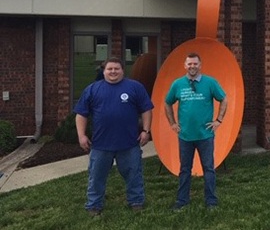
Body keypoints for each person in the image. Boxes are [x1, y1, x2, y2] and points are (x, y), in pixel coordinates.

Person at [74, 57, 154, 216]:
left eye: (116, 69)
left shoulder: (135, 87)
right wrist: (81, 135)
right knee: (96, 177)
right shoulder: (92, 89)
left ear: (123, 70)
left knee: (134, 175)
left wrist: (146, 131)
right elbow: (81, 114)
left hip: (129, 143)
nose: (113, 72)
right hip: (100, 145)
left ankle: (136, 201)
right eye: (109, 69)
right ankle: (94, 205)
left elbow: (146, 110)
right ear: (104, 71)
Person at [165, 52, 227, 210]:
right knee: (185, 169)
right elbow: (167, 103)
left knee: (209, 169)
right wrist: (172, 123)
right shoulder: (177, 84)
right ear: (185, 66)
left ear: (200, 65)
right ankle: (182, 201)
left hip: (205, 135)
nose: (192, 66)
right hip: (185, 136)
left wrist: (219, 120)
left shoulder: (210, 82)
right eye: (189, 64)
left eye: (195, 64)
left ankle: (211, 201)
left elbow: (223, 99)